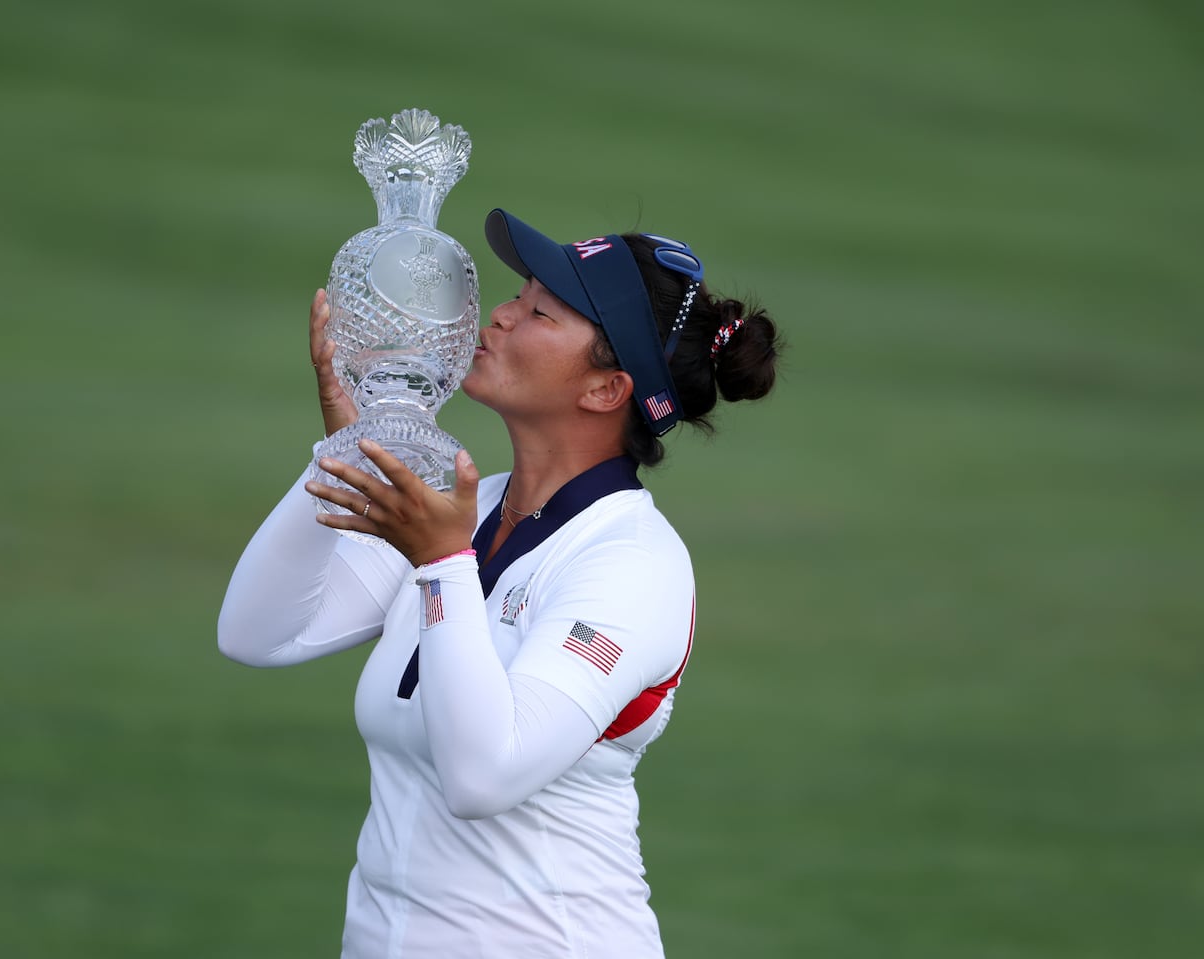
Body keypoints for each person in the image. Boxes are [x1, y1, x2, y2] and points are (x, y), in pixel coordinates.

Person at [217, 208, 783, 958]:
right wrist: (349, 450)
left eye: (541, 311)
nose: (502, 315)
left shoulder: (634, 562)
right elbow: (258, 631)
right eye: (518, 294)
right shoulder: (467, 507)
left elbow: (484, 773)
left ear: (608, 388)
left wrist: (445, 565)